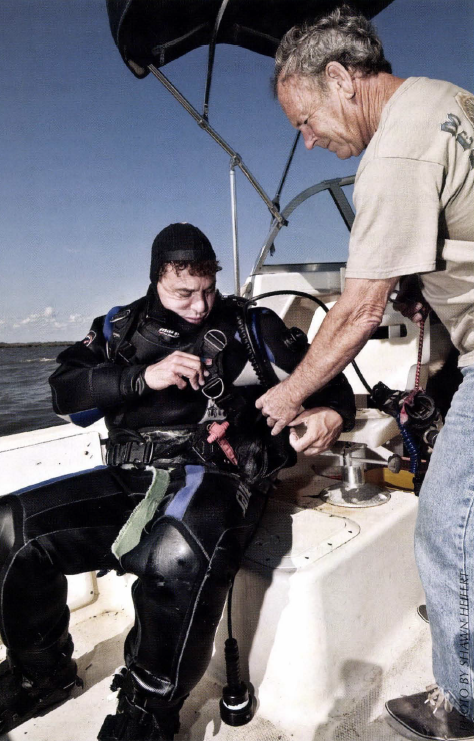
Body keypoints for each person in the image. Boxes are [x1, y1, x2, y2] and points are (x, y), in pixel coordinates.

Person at [0, 222, 355, 741]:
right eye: (183, 293)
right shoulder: (118, 328)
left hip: (219, 476)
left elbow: (335, 385)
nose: (198, 306)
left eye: (207, 290)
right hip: (132, 480)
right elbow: (65, 393)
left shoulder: (249, 326)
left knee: (176, 553)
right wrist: (140, 378)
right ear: (156, 281)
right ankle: (40, 675)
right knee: (5, 528)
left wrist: (331, 411)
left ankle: (148, 712)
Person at [255, 6, 474, 741]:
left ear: (342, 79)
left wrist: (284, 396)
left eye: (304, 121)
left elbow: (357, 308)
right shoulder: (443, 99)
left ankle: (465, 702)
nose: (310, 140)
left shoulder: (394, 151)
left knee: (446, 525)